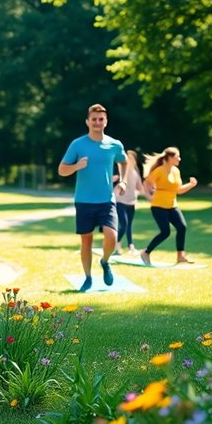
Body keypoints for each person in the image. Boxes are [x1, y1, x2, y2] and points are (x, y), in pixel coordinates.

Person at [58, 104, 128, 292]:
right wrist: (76, 166)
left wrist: (123, 181)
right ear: (87, 122)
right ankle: (88, 278)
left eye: (101, 119)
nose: (97, 122)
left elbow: (123, 161)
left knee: (112, 236)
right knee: (86, 240)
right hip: (84, 200)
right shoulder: (77, 144)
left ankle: (104, 261)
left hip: (106, 200)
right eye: (94, 119)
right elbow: (62, 170)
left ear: (106, 121)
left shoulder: (115, 144)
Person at [139, 147, 198, 266]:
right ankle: (146, 252)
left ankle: (180, 256)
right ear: (169, 158)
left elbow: (178, 190)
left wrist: (191, 185)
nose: (179, 159)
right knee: (165, 232)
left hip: (172, 205)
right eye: (177, 157)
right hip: (158, 206)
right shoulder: (159, 170)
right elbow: (146, 183)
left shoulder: (176, 171)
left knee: (182, 227)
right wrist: (149, 196)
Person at [114, 149, 149, 255]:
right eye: (127, 158)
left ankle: (131, 246)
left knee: (129, 225)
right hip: (120, 201)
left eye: (131, 158)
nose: (129, 160)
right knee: (124, 224)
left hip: (131, 202)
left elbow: (140, 188)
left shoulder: (135, 173)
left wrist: (150, 192)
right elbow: (115, 178)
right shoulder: (122, 170)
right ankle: (116, 243)